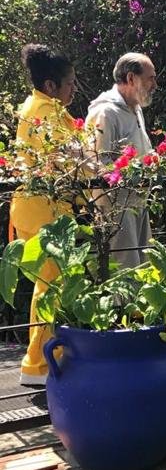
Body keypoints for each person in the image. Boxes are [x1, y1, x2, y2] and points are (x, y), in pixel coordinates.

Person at [10, 44, 78, 388]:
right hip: (43, 212)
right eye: (70, 83)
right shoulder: (45, 112)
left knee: (50, 285)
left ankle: (44, 359)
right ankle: (38, 364)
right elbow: (67, 160)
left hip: (38, 210)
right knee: (50, 288)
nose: (74, 90)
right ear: (51, 85)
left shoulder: (36, 105)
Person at [86, 53, 156, 267]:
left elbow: (145, 153)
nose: (155, 85)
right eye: (150, 78)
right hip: (116, 207)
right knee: (125, 270)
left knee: (145, 266)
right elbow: (96, 163)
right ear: (131, 78)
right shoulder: (106, 112)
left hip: (138, 201)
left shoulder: (135, 108)